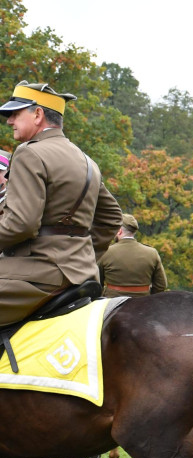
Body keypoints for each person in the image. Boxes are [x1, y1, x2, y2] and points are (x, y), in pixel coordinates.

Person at [0, 81, 122, 326]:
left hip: (36, 275)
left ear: (38, 114)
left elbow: (22, 224)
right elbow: (111, 218)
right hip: (84, 275)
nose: (9, 121)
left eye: (15, 114)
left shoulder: (28, 153)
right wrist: (79, 254)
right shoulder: (86, 161)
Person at [97, 214, 167, 298]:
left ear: (119, 231)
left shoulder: (105, 252)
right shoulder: (152, 253)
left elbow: (97, 283)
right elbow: (161, 285)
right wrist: (149, 298)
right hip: (144, 300)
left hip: (112, 300)